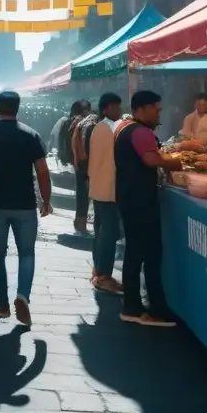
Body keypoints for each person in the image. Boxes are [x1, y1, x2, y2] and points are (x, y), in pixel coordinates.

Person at [0, 91, 52, 326]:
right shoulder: (31, 135)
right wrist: (46, 200)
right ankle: (23, 296)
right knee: (27, 253)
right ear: (18, 108)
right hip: (25, 205)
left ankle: (2, 305)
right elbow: (42, 171)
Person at [114, 90, 182, 327]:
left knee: (136, 251)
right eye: (157, 108)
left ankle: (134, 305)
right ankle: (149, 308)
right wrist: (176, 162)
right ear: (142, 109)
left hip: (129, 198)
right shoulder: (140, 131)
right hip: (139, 201)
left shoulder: (124, 127)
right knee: (149, 252)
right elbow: (151, 160)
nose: (158, 113)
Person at [88, 93, 124, 295]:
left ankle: (98, 270)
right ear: (105, 109)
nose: (118, 110)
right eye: (115, 107)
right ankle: (104, 276)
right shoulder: (108, 129)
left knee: (102, 232)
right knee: (109, 233)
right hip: (108, 189)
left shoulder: (102, 128)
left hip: (100, 187)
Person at [70, 100, 96, 234]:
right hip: (85, 165)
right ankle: (81, 224)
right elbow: (86, 146)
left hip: (78, 164)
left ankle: (80, 223)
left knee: (82, 196)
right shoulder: (88, 124)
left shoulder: (75, 123)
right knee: (85, 196)